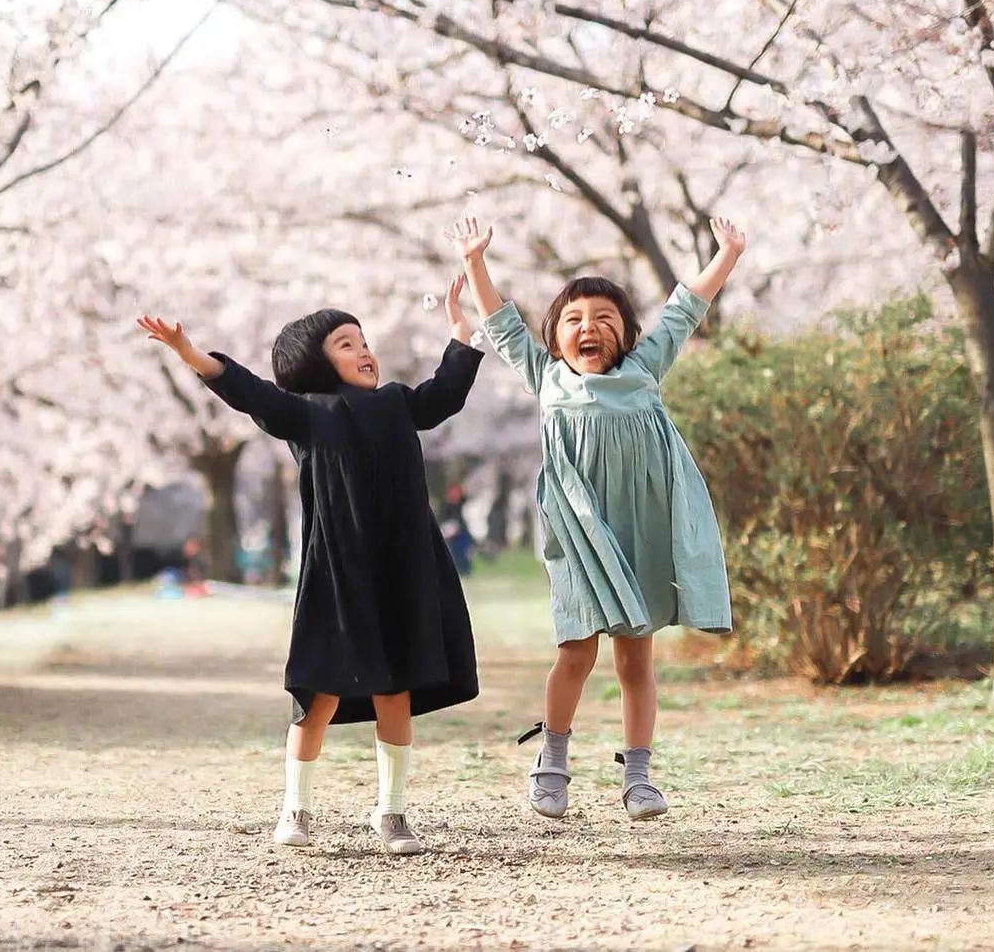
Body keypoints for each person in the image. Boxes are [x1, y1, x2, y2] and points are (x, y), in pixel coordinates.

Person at [137, 276, 483, 856]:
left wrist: (460, 331)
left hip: (402, 566)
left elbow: (444, 393)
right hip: (338, 572)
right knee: (317, 693)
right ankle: (295, 808)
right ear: (314, 362)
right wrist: (189, 353)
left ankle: (392, 813)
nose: (364, 350)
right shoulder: (305, 414)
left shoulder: (398, 403)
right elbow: (247, 391)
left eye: (363, 340)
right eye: (345, 343)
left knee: (394, 690)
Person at [445, 214, 745, 822]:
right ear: (555, 338)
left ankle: (638, 777)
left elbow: (687, 307)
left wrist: (727, 256)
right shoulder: (545, 376)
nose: (589, 328)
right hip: (578, 534)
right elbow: (501, 323)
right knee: (577, 651)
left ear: (627, 336)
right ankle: (551, 760)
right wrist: (475, 262)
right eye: (575, 320)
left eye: (605, 320)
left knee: (636, 659)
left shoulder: (644, 370)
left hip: (640, 530)